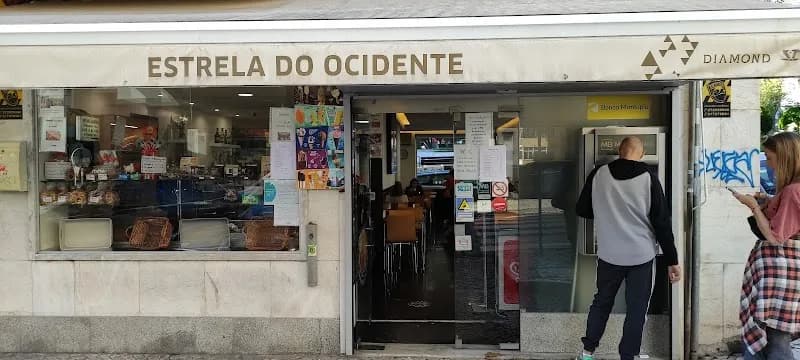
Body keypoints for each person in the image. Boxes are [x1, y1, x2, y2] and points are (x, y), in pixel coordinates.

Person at [575, 136, 681, 360]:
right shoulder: (649, 177)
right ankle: (628, 356)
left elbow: (582, 209)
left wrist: (608, 212)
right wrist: (672, 260)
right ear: (641, 154)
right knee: (636, 310)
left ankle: (587, 352)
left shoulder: (598, 174)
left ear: (619, 151)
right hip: (640, 257)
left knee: (601, 303)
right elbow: (662, 223)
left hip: (608, 254)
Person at [732, 132, 800, 360]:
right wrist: (768, 201)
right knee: (774, 337)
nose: (768, 164)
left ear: (784, 157)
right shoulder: (792, 188)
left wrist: (753, 206)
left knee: (776, 340)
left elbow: (775, 236)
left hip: (780, 276)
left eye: (769, 157)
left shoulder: (792, 190)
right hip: (782, 275)